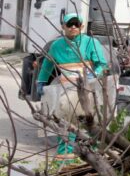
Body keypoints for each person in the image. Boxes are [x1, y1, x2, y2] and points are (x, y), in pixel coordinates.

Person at [36, 13, 108, 157]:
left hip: (87, 90)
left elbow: (102, 64)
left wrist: (93, 75)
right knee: (65, 122)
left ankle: (92, 155)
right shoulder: (56, 46)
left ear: (82, 26)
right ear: (63, 27)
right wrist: (41, 81)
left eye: (76, 24)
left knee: (89, 121)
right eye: (70, 24)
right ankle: (65, 155)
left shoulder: (90, 43)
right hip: (66, 91)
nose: (73, 27)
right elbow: (48, 63)